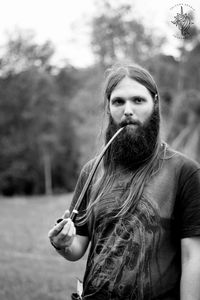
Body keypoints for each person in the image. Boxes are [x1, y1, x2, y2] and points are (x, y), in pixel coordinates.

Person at [48, 64, 200, 300]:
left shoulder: (184, 172)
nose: (128, 110)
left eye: (138, 100)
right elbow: (78, 247)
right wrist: (63, 243)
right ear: (109, 108)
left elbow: (193, 256)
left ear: (155, 104)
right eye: (118, 102)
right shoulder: (92, 171)